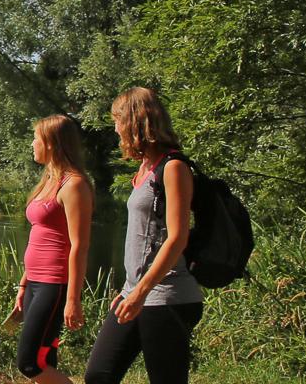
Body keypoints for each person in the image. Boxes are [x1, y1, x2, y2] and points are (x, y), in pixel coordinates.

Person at [85, 86, 203, 384]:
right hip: (135, 292)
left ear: (134, 121)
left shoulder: (174, 167)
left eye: (117, 120)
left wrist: (140, 292)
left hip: (167, 296)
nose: (114, 128)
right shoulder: (145, 167)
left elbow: (177, 238)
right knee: (99, 375)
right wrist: (130, 289)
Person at [13, 114, 93, 383]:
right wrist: (24, 285)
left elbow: (79, 245)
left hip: (55, 284)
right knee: (45, 359)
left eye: (36, 138)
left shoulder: (74, 185)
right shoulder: (48, 180)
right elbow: (38, 235)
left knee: (30, 363)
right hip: (36, 281)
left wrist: (73, 299)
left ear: (52, 143)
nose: (32, 144)